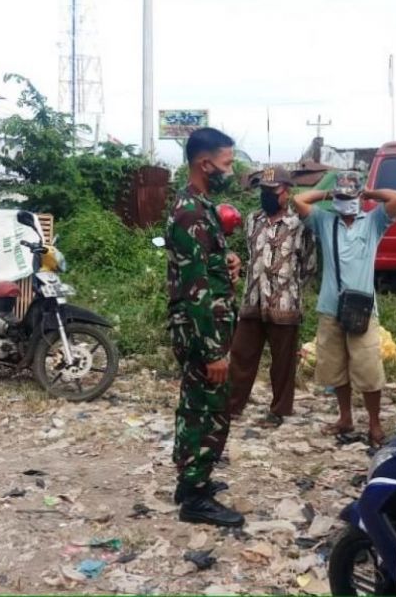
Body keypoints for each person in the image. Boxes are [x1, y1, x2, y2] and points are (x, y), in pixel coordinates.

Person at [165, 127, 244, 528]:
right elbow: (195, 288)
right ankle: (194, 496)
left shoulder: (201, 205)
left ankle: (191, 481)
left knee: (198, 404)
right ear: (205, 163)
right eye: (227, 163)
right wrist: (213, 350)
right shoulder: (191, 211)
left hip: (207, 324)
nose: (230, 170)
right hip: (203, 329)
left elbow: (205, 265)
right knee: (207, 409)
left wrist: (227, 262)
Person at [293, 172, 396, 446]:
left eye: (349, 196)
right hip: (330, 308)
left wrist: (369, 192)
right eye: (340, 197)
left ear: (359, 198)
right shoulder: (324, 220)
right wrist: (328, 194)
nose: (345, 202)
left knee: (368, 369)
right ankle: (345, 418)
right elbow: (298, 200)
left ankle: (375, 424)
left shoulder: (374, 221)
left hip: (363, 309)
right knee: (335, 367)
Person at [228, 167, 317, 428]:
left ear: (286, 193)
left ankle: (278, 410)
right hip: (253, 300)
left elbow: (309, 265)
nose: (267, 196)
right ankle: (232, 406)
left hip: (285, 304)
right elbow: (250, 254)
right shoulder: (252, 220)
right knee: (241, 355)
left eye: (272, 191)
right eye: (263, 191)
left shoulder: (299, 224)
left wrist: (289, 290)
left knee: (282, 362)